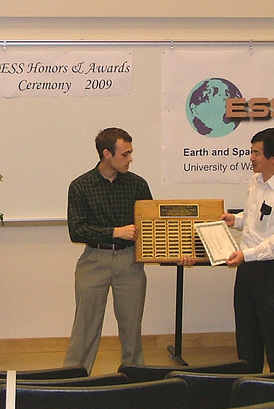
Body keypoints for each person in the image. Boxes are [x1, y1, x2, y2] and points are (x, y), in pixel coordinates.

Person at [64, 127, 193, 374]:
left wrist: (176, 252)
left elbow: (154, 226)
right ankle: (73, 378)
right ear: (106, 154)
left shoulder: (137, 185)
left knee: (131, 328)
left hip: (129, 262)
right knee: (85, 327)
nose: (130, 159)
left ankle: (135, 379)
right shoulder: (80, 186)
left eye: (130, 153)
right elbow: (77, 230)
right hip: (94, 260)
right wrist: (114, 231)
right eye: (125, 154)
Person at [220, 127, 274, 373]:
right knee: (247, 333)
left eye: (256, 153)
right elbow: (257, 216)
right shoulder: (256, 181)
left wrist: (246, 255)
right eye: (251, 152)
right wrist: (237, 220)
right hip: (248, 268)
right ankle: (249, 383)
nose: (251, 158)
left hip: (273, 270)